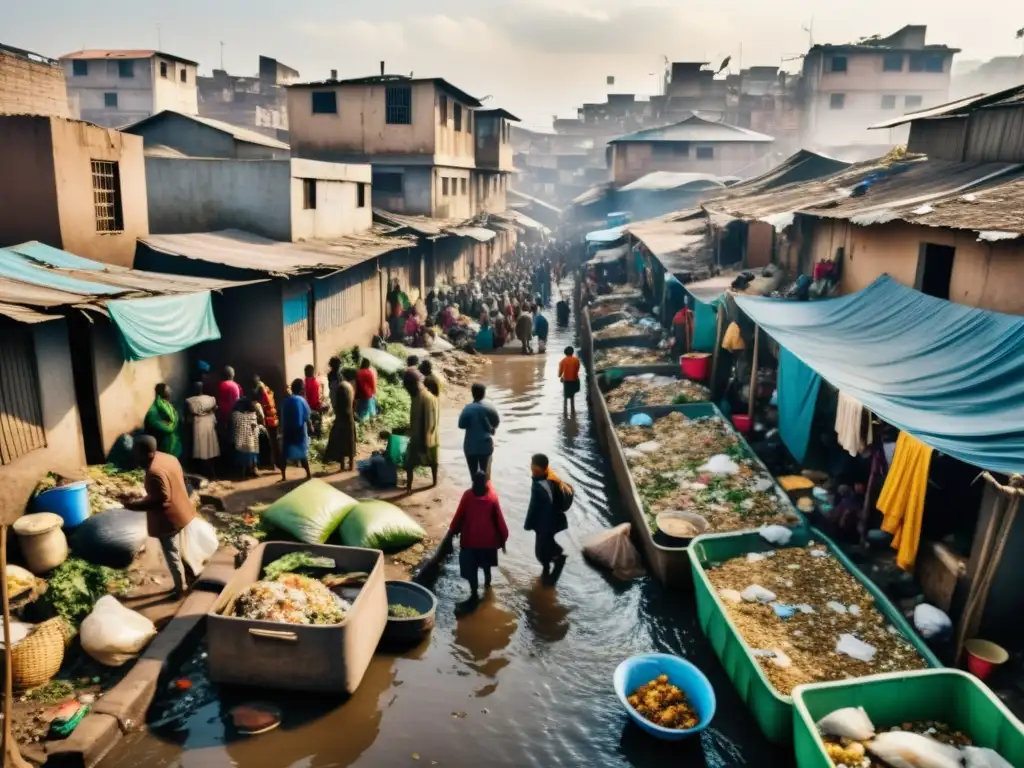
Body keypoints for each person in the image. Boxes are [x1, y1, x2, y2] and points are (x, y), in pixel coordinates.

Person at [124, 436, 195, 598]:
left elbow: (163, 498)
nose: (134, 454)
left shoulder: (154, 471)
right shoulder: (167, 458)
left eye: (136, 451)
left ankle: (180, 588)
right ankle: (187, 578)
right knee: (180, 549)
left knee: (172, 554)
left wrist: (133, 506)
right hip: (182, 509)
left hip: (169, 519)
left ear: (142, 453)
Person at [449, 471, 509, 605]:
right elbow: (500, 521)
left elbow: (459, 516)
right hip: (488, 543)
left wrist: (452, 533)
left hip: (470, 542)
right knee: (486, 568)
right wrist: (503, 539)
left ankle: (474, 594)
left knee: (471, 570)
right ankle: (487, 589)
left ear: (473, 482)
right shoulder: (492, 498)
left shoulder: (468, 496)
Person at [524, 453, 569, 585]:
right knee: (544, 548)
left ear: (540, 467)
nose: (531, 466)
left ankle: (557, 562)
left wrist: (529, 524)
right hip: (549, 522)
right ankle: (547, 572)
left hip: (546, 523)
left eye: (533, 464)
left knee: (540, 551)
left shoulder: (541, 484)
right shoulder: (546, 477)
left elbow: (535, 505)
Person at [404, 369, 440, 491]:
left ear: (414, 384)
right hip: (417, 437)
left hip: (427, 439)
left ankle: (434, 483)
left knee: (432, 463)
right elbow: (416, 419)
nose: (407, 390)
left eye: (408, 387)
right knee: (410, 464)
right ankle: (409, 487)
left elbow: (430, 422)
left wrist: (426, 441)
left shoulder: (427, 398)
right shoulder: (416, 397)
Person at [458, 383, 500, 479]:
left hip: (470, 447)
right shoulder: (490, 407)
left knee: (474, 477)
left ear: (472, 394)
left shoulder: (467, 409)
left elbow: (461, 425)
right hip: (485, 447)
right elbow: (496, 423)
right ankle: (486, 493)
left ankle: (475, 491)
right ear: (484, 394)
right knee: (485, 477)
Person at [280, 379, 313, 482]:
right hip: (299, 431)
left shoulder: (285, 401)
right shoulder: (302, 400)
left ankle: (284, 476)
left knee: (284, 454)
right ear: (302, 389)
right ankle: (308, 475)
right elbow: (307, 416)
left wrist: (281, 429)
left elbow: (282, 416)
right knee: (303, 454)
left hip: (288, 430)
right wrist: (311, 427)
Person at [325, 368, 357, 471]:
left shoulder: (340, 387)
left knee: (341, 442)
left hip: (341, 418)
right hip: (350, 417)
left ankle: (342, 466)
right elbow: (352, 403)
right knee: (350, 440)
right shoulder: (350, 387)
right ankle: (351, 465)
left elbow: (338, 404)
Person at [185, 382, 219, 478]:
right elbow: (215, 408)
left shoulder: (190, 401)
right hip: (209, 423)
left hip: (199, 424)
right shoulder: (210, 399)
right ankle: (211, 473)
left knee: (202, 449)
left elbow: (188, 416)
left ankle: (204, 473)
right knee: (211, 448)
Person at [145, 383, 182, 458]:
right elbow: (152, 421)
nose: (170, 391)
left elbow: (174, 419)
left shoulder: (168, 405)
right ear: (162, 392)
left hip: (172, 440)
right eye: (168, 389)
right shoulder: (154, 408)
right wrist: (169, 428)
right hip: (162, 442)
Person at [252, 375, 280, 470]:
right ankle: (275, 464)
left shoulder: (261, 391)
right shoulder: (268, 390)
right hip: (273, 419)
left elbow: (262, 413)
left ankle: (273, 464)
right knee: (273, 442)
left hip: (268, 420)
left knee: (271, 443)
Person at [231, 397, 262, 478]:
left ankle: (242, 474)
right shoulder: (252, 415)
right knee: (252, 456)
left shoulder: (235, 415)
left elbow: (233, 426)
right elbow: (254, 427)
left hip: (239, 441)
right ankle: (253, 470)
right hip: (251, 441)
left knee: (242, 458)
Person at [558, 346, 582, 417]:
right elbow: (577, 370)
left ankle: (565, 413)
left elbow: (559, 374)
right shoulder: (576, 360)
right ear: (572, 352)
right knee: (572, 397)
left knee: (565, 397)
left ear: (565, 353)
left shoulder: (562, 361)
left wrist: (562, 377)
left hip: (566, 381)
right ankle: (573, 412)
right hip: (574, 380)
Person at [303, 364, 325, 438]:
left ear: (305, 373)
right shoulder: (315, 383)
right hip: (314, 407)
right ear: (313, 372)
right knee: (318, 422)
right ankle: (318, 435)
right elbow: (316, 398)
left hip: (306, 407)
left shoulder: (304, 383)